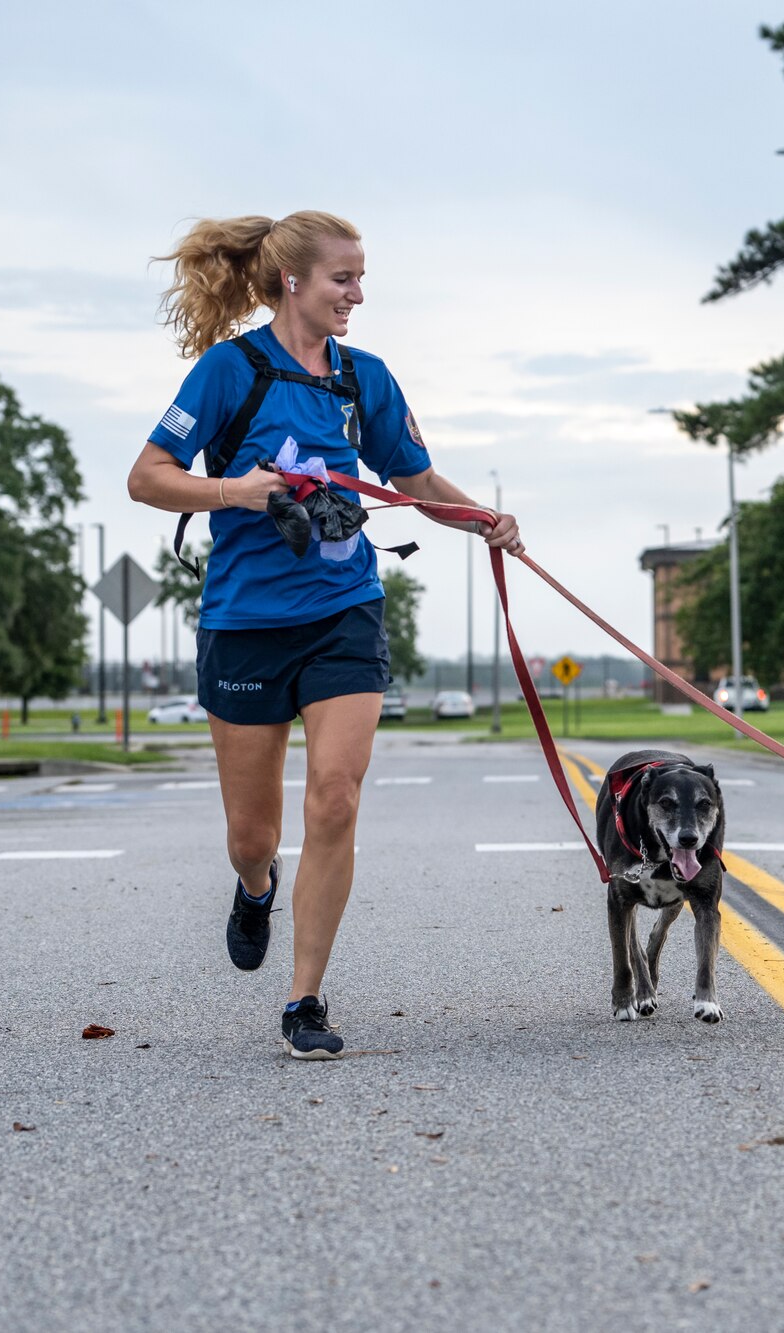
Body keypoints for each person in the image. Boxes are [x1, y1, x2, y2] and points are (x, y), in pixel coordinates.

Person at [128, 210, 521, 1060]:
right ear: (291, 281)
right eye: (344, 278)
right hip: (244, 623)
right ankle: (253, 885)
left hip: (344, 610)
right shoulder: (229, 372)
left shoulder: (364, 378)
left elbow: (411, 476)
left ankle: (304, 999)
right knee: (253, 833)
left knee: (336, 796)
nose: (358, 293)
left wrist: (481, 519)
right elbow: (148, 477)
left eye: (361, 276)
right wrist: (239, 491)